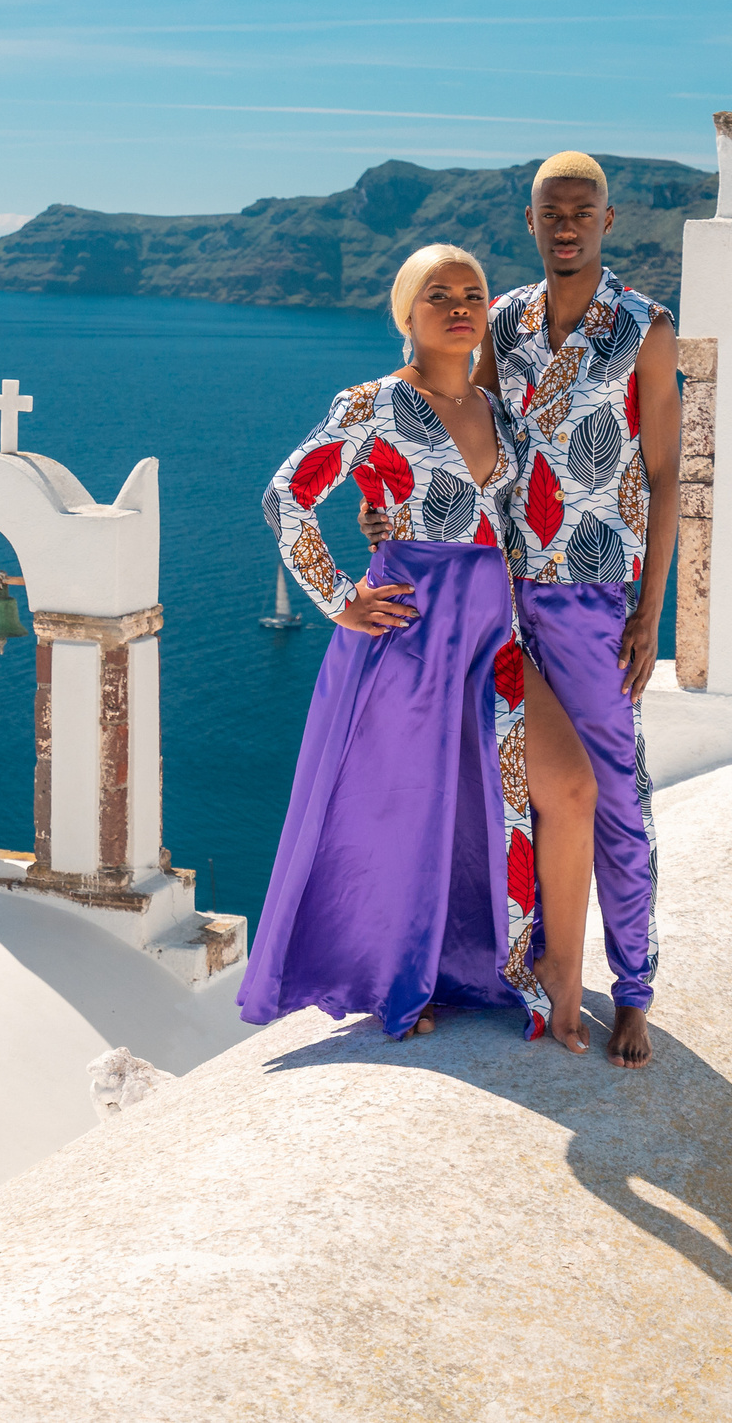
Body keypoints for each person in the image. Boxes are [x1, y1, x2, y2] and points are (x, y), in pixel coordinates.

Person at [239, 244, 551, 1041]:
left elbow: (508, 520)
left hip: (492, 631)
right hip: (409, 632)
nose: (458, 306)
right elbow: (285, 498)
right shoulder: (372, 403)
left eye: (473, 294)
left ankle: (477, 967)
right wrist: (342, 600)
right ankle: (391, 980)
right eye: (436, 294)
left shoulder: (496, 409)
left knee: (483, 802)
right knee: (399, 807)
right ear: (405, 314)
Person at [458, 151, 682, 1068]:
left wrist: (650, 611)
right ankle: (521, 967)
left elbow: (666, 473)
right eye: (552, 210)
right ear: (530, 219)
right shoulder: (502, 324)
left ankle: (633, 988)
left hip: (595, 598)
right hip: (502, 594)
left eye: (582, 210)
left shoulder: (643, 328)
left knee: (617, 795)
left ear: (608, 221)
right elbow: (459, 433)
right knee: (512, 789)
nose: (567, 224)